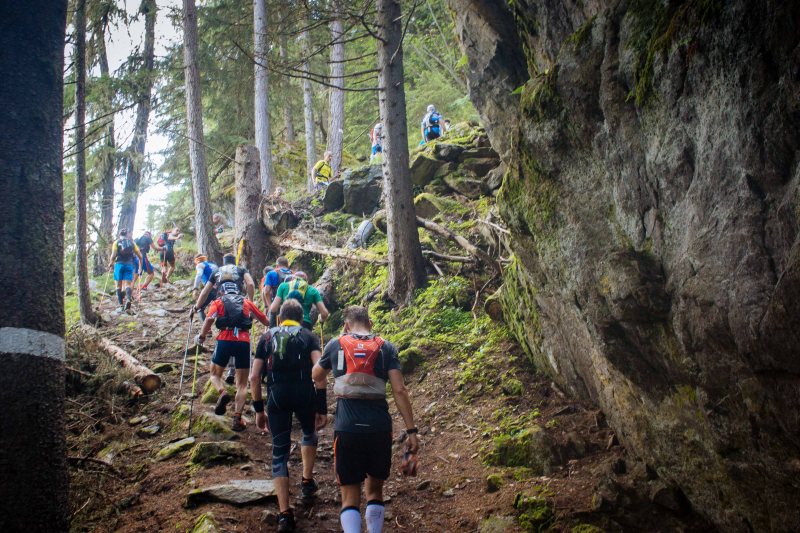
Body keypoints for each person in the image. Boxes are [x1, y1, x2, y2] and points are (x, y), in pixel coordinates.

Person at [312, 305, 419, 533]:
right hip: (379, 427)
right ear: (370, 324)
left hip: (347, 427)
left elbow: (316, 375)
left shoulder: (336, 344)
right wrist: (411, 431)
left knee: (350, 494)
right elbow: (400, 390)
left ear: (346, 326)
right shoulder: (386, 348)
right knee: (375, 491)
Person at [250, 299, 325, 532]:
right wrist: (322, 408)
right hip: (304, 394)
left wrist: (259, 409)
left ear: (280, 318)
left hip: (277, 396)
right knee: (309, 433)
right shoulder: (309, 336)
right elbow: (320, 373)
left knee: (279, 452)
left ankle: (284, 514)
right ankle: (306, 480)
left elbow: (254, 377)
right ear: (302, 318)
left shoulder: (266, 337)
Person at [197, 285, 269, 431]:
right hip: (243, 341)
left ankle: (222, 392)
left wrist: (202, 336)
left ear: (222, 291)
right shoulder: (246, 302)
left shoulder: (218, 302)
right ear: (238, 291)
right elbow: (265, 320)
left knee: (214, 374)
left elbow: (209, 320)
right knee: (242, 384)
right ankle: (237, 418)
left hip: (224, 339)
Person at [193, 253, 256, 384]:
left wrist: (197, 307)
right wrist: (251, 302)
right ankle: (233, 370)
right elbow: (250, 284)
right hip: (240, 305)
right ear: (234, 261)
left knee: (225, 333)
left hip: (222, 304)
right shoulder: (240, 270)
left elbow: (205, 292)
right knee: (240, 333)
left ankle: (224, 369)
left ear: (224, 261)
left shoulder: (217, 271)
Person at [107, 229, 143, 312]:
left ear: (120, 235)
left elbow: (113, 255)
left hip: (119, 265)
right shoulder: (132, 243)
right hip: (129, 264)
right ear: (127, 235)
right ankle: (129, 299)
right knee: (127, 284)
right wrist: (140, 265)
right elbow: (140, 256)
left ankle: (120, 305)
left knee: (118, 285)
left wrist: (111, 263)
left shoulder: (116, 242)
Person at [191, 254, 219, 319]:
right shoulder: (214, 265)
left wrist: (195, 288)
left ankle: (206, 328)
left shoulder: (200, 265)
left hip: (209, 288)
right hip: (219, 289)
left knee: (199, 307)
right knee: (220, 307)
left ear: (197, 260)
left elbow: (199, 275)